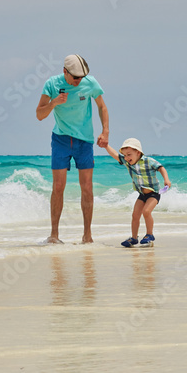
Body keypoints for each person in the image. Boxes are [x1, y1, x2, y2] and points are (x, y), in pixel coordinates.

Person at [36, 54, 109, 244]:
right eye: (75, 77)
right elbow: (39, 115)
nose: (79, 81)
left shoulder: (90, 83)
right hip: (61, 139)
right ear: (64, 72)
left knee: (87, 188)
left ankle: (87, 235)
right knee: (58, 187)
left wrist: (105, 131)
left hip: (84, 141)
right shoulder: (52, 84)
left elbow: (102, 106)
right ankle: (54, 235)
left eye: (81, 77)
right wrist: (54, 103)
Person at [101, 137, 170, 248]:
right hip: (142, 194)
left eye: (129, 154)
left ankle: (149, 235)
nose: (127, 158)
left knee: (146, 212)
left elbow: (161, 168)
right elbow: (115, 155)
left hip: (153, 193)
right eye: (125, 155)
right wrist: (106, 146)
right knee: (135, 215)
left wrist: (166, 180)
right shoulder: (128, 162)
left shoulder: (148, 161)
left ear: (138, 152)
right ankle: (134, 238)